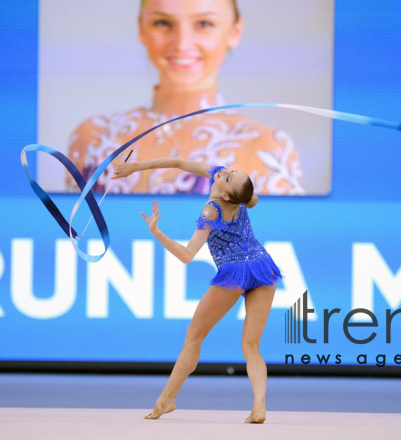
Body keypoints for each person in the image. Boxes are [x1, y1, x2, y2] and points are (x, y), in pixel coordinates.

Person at [66, 0, 304, 196]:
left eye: (204, 24)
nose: (181, 44)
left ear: (235, 32)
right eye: (163, 23)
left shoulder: (266, 147)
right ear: (141, 29)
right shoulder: (94, 137)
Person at [112, 155, 282, 424]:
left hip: (235, 272)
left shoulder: (211, 211)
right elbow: (179, 162)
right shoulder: (222, 179)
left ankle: (166, 400)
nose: (225, 171)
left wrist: (157, 232)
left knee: (193, 337)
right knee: (251, 346)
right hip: (263, 266)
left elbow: (188, 254)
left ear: (226, 195)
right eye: (231, 171)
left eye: (229, 176)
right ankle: (259, 406)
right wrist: (135, 167)